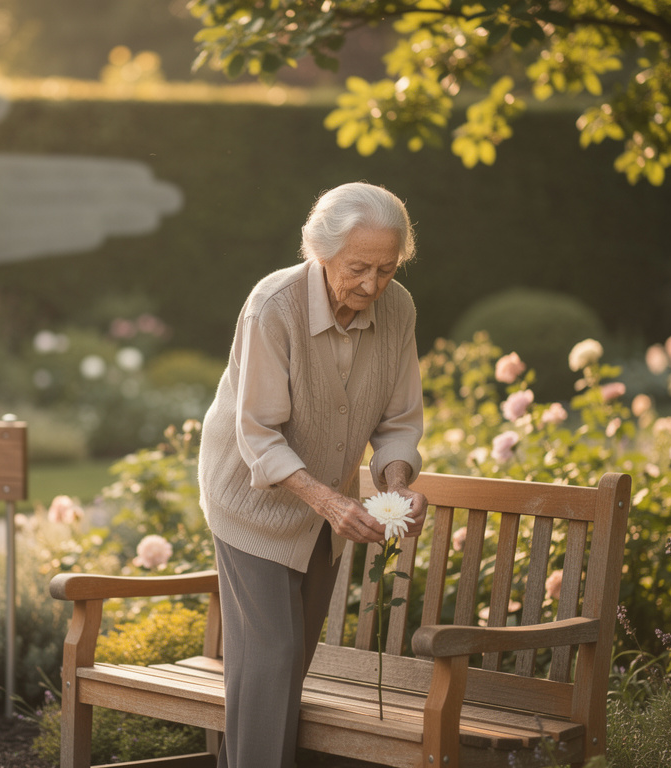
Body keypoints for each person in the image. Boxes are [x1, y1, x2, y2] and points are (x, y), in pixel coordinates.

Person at [197, 181, 428, 768]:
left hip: (326, 510)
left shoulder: (398, 309)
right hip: (251, 504)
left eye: (386, 268)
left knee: (283, 669)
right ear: (320, 252)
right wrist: (328, 502)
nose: (372, 286)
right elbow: (258, 433)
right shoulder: (274, 306)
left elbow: (399, 421)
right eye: (358, 268)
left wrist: (396, 484)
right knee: (271, 660)